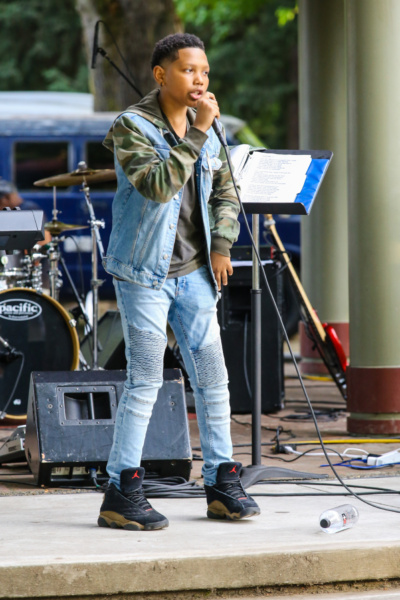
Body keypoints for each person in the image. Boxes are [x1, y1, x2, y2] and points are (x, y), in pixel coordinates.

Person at [98, 32, 260, 531]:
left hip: (195, 274)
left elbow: (226, 190)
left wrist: (222, 246)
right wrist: (199, 132)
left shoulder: (208, 128)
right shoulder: (132, 126)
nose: (200, 80)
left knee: (213, 379)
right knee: (145, 379)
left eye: (205, 71)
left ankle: (221, 482)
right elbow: (157, 185)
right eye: (189, 70)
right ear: (161, 74)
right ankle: (121, 490)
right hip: (144, 274)